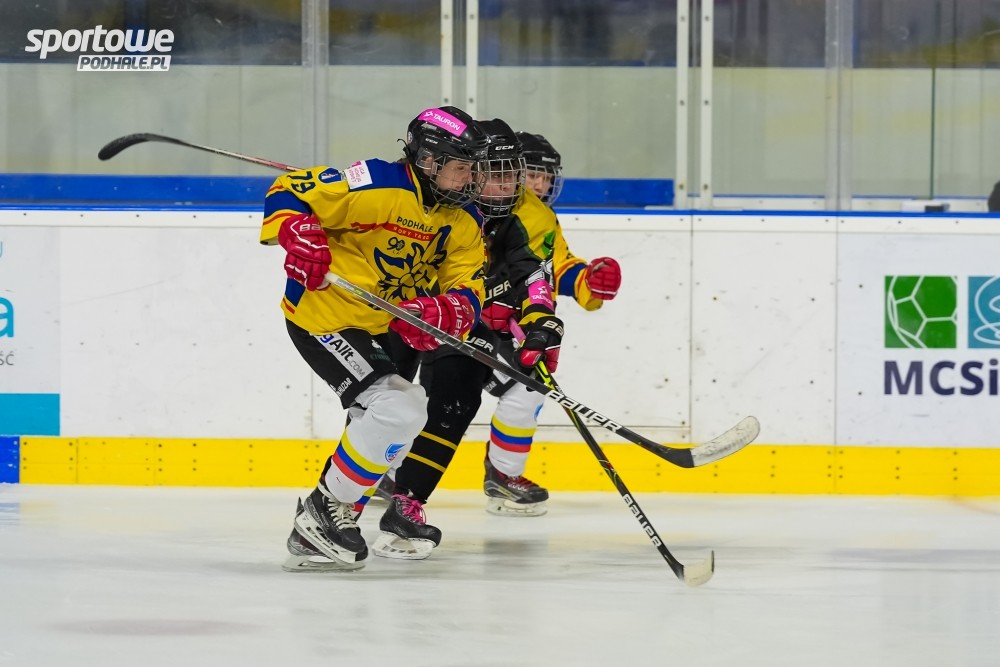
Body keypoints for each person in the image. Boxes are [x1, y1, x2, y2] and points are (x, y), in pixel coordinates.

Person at [260, 106, 491, 572]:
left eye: (474, 168)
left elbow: (469, 281)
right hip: (324, 316)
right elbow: (290, 190)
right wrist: (297, 231)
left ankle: (323, 519)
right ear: (428, 160)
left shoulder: (463, 219)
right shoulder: (376, 184)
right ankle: (325, 510)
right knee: (398, 407)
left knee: (402, 416)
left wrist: (452, 308)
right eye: (462, 167)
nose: (472, 179)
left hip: (375, 326)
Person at [378, 124, 621, 537]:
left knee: (502, 390)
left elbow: (543, 269)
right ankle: (377, 473)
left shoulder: (532, 214)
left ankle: (491, 475)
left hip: (472, 321)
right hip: (415, 308)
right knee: (390, 397)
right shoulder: (445, 198)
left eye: (523, 174)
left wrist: (575, 289)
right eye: (524, 174)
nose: (534, 184)